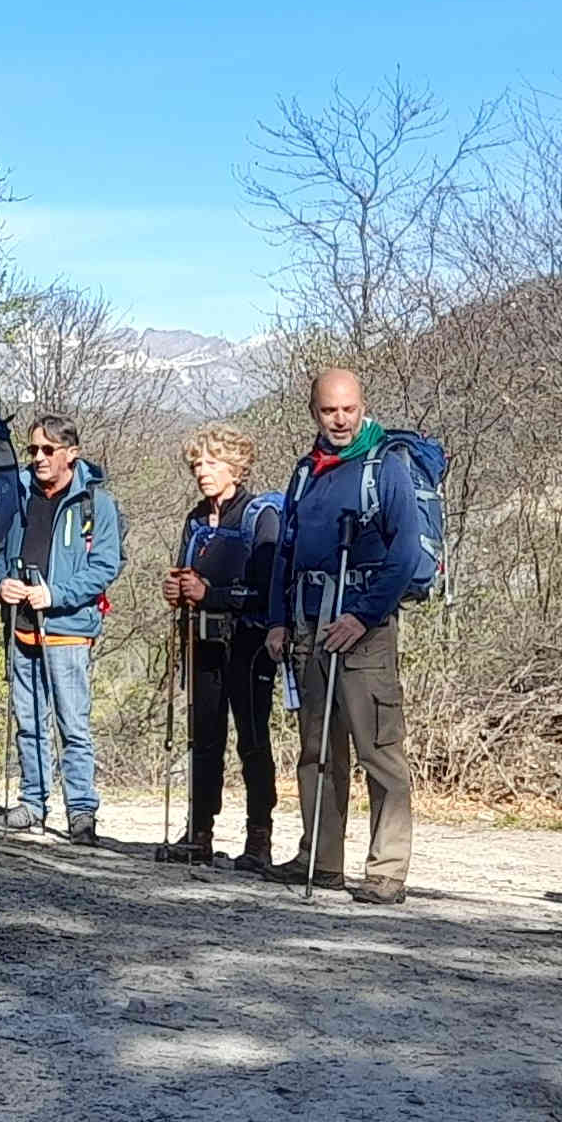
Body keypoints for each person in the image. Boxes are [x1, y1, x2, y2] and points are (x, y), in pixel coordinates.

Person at [259, 369, 418, 903]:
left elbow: (406, 555)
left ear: (362, 406)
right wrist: (278, 618)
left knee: (379, 751)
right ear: (315, 412)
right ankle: (320, 860)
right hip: (309, 626)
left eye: (348, 409)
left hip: (363, 632)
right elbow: (287, 550)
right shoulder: (305, 472)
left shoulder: (384, 467)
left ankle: (386, 870)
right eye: (330, 410)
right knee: (316, 749)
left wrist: (365, 616)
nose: (341, 419)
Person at [0, 414, 124, 843]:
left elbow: (105, 566)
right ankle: (32, 802)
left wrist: (56, 594)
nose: (38, 458)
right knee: (27, 719)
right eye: (33, 450)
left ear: (71, 453)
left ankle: (81, 811)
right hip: (20, 625)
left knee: (72, 724)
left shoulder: (96, 504)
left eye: (48, 450)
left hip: (67, 628)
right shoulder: (17, 494)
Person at [160, 424, 281, 871]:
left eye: (211, 463)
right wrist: (177, 591)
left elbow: (267, 592)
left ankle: (258, 839)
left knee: (252, 740)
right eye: (197, 464)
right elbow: (185, 576)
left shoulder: (259, 515)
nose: (202, 472)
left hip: (248, 645)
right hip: (203, 643)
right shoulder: (194, 519)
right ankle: (199, 832)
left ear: (236, 465)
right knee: (204, 739)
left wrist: (210, 592)